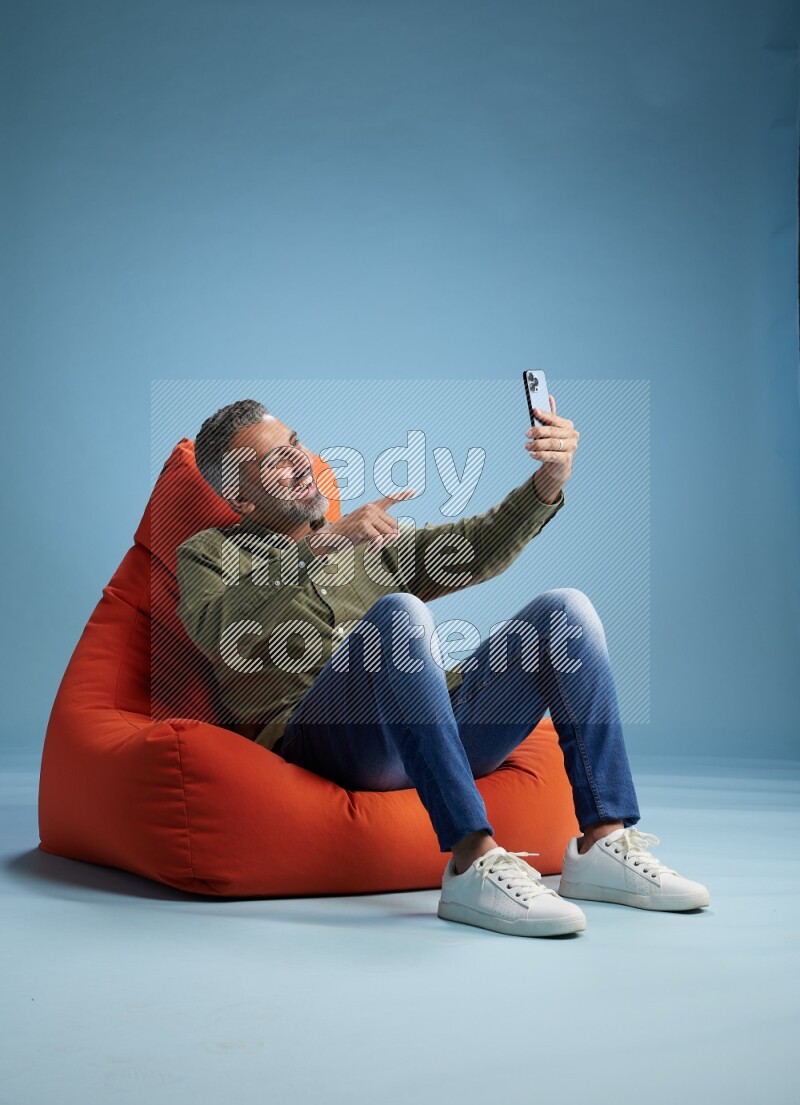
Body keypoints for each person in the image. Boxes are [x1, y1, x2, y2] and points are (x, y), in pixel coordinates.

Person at [176, 397, 710, 938]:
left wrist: (550, 479)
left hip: (439, 735)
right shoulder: (209, 553)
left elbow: (476, 546)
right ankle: (472, 861)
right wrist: (322, 545)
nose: (299, 462)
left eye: (294, 445)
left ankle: (603, 842)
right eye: (274, 461)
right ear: (240, 495)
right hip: (328, 745)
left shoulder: (369, 543)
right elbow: (219, 628)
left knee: (565, 612)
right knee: (399, 613)